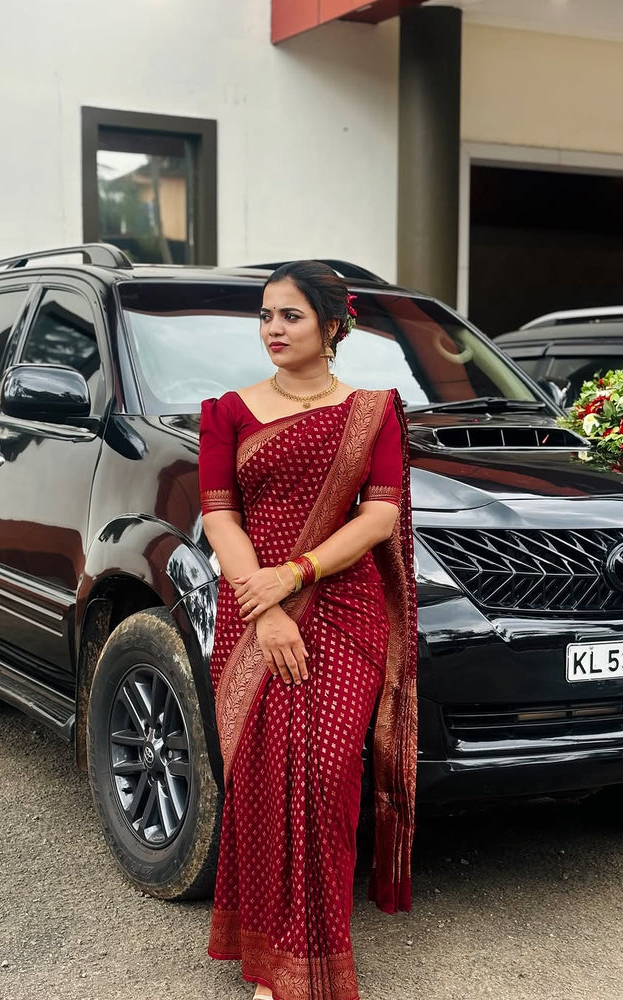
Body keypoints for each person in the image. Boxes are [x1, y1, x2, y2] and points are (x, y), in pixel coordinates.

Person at [198, 260, 418, 1000]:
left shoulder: (373, 409)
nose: (272, 330)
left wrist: (294, 576)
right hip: (253, 608)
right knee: (262, 778)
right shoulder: (228, 411)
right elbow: (219, 514)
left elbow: (381, 514)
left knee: (325, 775)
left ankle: (311, 957)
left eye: (289, 316)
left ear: (331, 324)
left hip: (343, 605)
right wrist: (264, 606)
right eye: (264, 316)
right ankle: (276, 969)